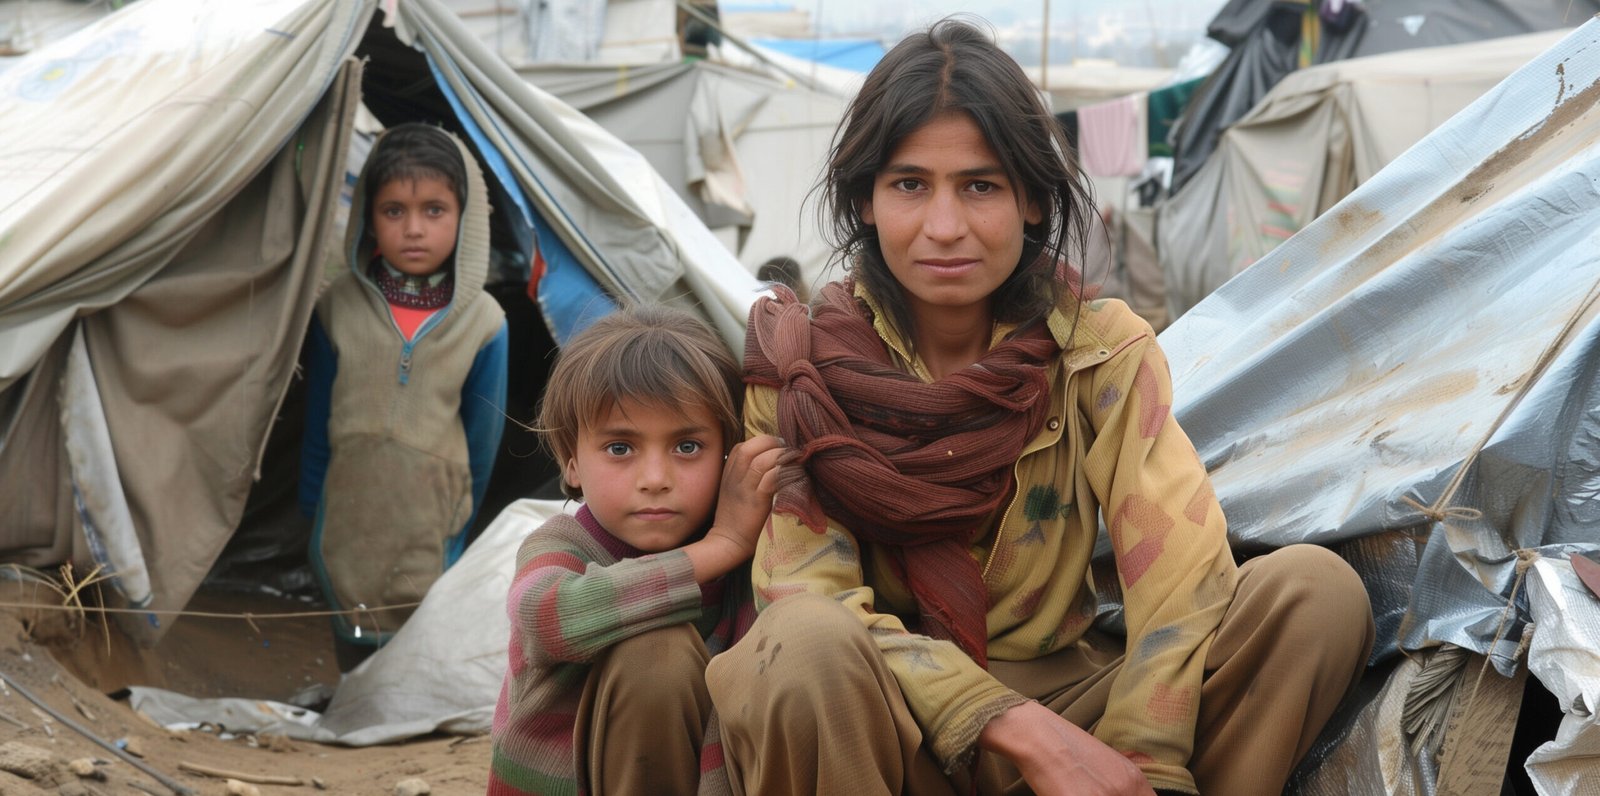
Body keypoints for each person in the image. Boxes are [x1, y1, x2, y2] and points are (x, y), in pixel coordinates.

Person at [706, 18, 1375, 796]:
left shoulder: (1100, 351)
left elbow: (1181, 576)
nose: (945, 226)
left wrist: (1138, 760)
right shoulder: (799, 372)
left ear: (1030, 199)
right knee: (804, 641)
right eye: (910, 185)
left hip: (1070, 700)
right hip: (887, 724)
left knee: (1312, 595)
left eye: (980, 186)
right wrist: (1007, 724)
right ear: (865, 201)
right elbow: (808, 594)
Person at [488, 304, 786, 796]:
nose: (655, 480)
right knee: (656, 652)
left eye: (687, 447)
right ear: (571, 462)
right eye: (620, 448)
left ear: (729, 453)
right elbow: (544, 618)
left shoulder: (753, 559)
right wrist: (722, 545)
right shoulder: (563, 544)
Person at [299, 122, 509, 669]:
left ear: (466, 219)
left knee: (414, 646)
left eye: (434, 210)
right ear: (368, 218)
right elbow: (318, 417)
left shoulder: (484, 322)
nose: (414, 229)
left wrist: (458, 513)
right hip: (348, 511)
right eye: (394, 211)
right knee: (350, 628)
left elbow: (483, 439)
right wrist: (311, 507)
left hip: (431, 515)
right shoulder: (337, 305)